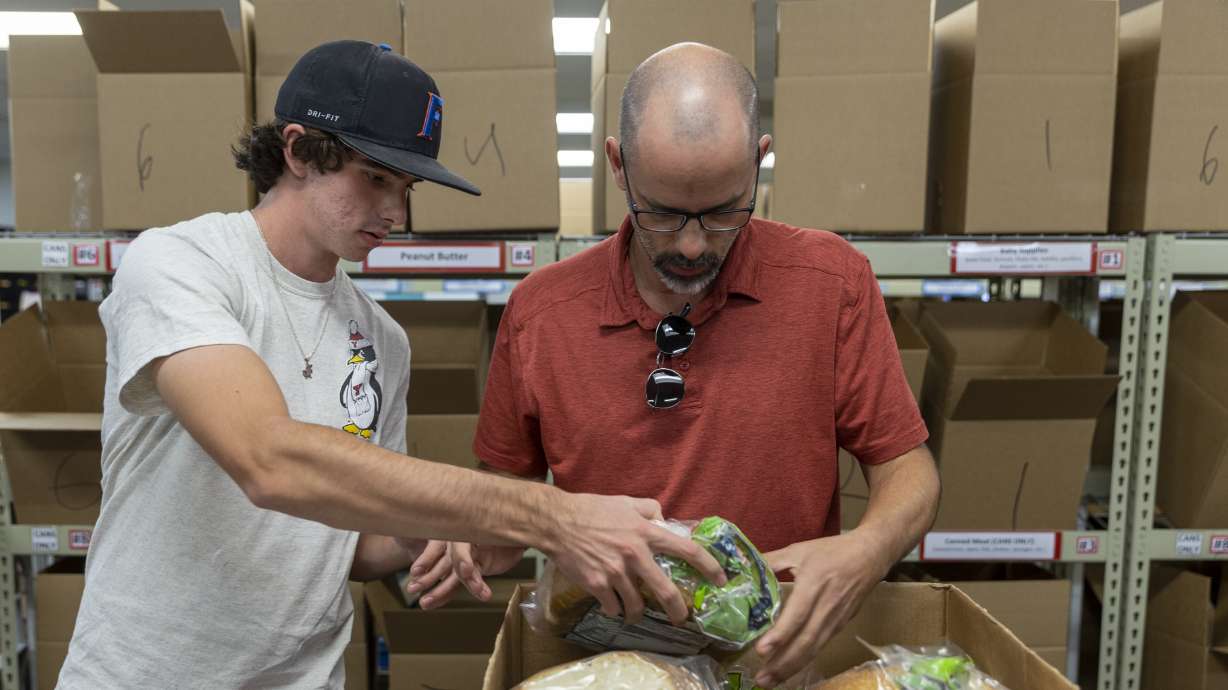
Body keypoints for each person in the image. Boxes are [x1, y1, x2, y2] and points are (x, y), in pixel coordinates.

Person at [56, 41, 723, 689]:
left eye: (405, 187)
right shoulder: (183, 265)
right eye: (374, 177)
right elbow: (267, 459)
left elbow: (353, 545)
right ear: (297, 151)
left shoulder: (381, 339)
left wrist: (428, 535)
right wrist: (550, 514)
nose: (395, 213)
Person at [409, 43, 941, 687]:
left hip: (776, 663)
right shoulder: (540, 313)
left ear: (759, 162)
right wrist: (471, 536)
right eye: (661, 213)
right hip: (609, 670)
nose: (692, 245)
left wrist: (866, 550)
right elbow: (505, 511)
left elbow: (908, 472)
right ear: (618, 166)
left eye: (722, 213)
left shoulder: (831, 284)